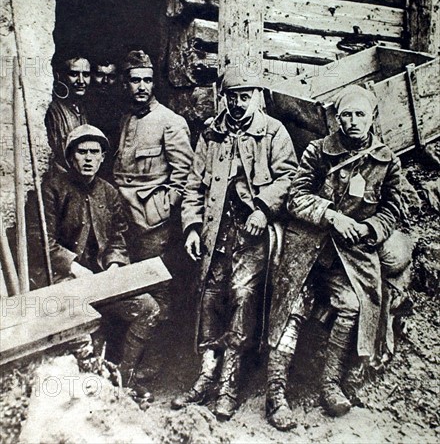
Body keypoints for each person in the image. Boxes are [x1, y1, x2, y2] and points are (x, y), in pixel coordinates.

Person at [266, 84, 412, 430]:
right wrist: (332, 216)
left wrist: (372, 228)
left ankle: (330, 384)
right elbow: (295, 197)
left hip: (350, 255)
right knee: (291, 307)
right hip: (308, 248)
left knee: (354, 304)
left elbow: (395, 208)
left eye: (360, 114)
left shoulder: (387, 161)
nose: (352, 122)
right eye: (346, 115)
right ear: (337, 119)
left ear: (372, 117)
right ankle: (276, 393)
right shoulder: (318, 152)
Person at [171, 75, 297, 420]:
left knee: (242, 297)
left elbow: (289, 178)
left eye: (245, 97)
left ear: (257, 96)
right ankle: (205, 376)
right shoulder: (212, 133)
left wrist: (264, 208)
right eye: (232, 97)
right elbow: (194, 185)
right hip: (217, 233)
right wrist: (193, 228)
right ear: (223, 97)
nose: (238, 104)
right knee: (210, 298)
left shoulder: (274, 132)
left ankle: (229, 383)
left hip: (255, 235)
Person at [42, 124, 162, 400]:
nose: (87, 158)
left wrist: (115, 266)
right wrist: (73, 267)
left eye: (94, 152)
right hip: (64, 283)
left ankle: (124, 379)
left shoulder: (108, 192)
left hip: (101, 281)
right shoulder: (52, 190)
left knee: (149, 309)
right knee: (80, 328)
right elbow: (43, 243)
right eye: (81, 152)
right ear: (71, 157)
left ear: (102, 157)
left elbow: (119, 237)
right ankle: (95, 387)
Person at [113, 49, 193, 364]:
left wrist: (161, 210)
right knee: (127, 293)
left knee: (157, 292)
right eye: (135, 80)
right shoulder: (125, 119)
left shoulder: (170, 122)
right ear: (125, 84)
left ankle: (151, 368)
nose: (142, 86)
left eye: (147, 80)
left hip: (152, 226)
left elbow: (183, 178)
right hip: (122, 222)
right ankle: (125, 365)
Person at [45, 55, 91, 173]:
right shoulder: (54, 111)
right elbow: (54, 157)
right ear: (61, 77)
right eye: (74, 74)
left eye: (86, 75)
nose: (81, 81)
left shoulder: (82, 109)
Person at [88, 59, 123, 180]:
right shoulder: (83, 106)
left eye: (111, 76)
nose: (105, 81)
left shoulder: (123, 108)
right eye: (99, 75)